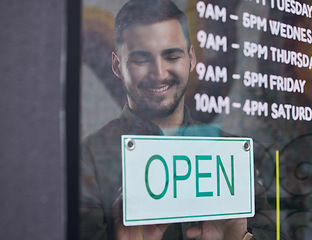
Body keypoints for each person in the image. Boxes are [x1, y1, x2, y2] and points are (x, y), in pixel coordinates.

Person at [80, 0, 279, 239]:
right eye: (141, 59)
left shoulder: (228, 154)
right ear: (116, 65)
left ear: (191, 58)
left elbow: (273, 234)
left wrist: (240, 239)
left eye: (172, 56)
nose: (160, 73)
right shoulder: (88, 157)